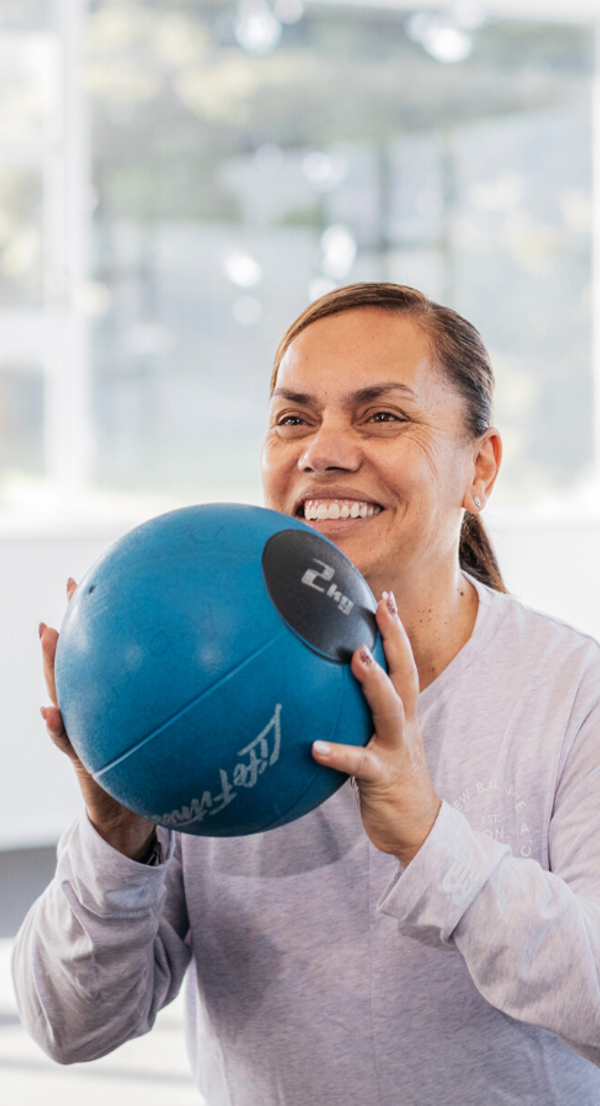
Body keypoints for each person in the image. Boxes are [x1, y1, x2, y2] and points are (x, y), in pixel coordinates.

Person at [12, 283, 600, 1104]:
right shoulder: (201, 694)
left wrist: (431, 845)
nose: (323, 450)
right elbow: (69, 1027)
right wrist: (117, 834)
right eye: (294, 418)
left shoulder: (572, 696)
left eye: (381, 416)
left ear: (481, 469)